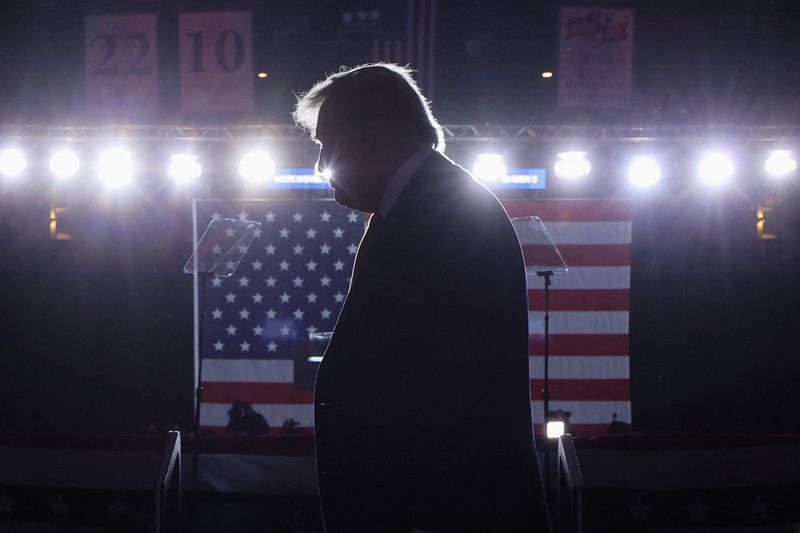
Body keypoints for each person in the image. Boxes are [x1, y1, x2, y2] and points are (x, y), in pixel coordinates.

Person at [293, 63, 550, 532]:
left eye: (326, 145)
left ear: (369, 136)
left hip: (438, 508)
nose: (320, 165)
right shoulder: (425, 205)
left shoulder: (440, 213)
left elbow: (434, 391)